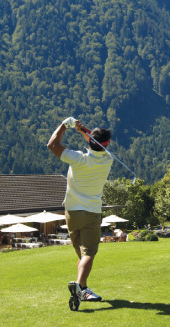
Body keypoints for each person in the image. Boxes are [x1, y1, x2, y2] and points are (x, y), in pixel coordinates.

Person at [47, 117, 113, 311]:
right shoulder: (108, 159)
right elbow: (96, 143)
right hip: (91, 213)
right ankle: (78, 286)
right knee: (88, 253)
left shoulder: (77, 158)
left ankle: (83, 289)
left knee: (82, 254)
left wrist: (64, 125)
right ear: (106, 144)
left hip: (71, 213)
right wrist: (83, 130)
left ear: (91, 141)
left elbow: (52, 145)